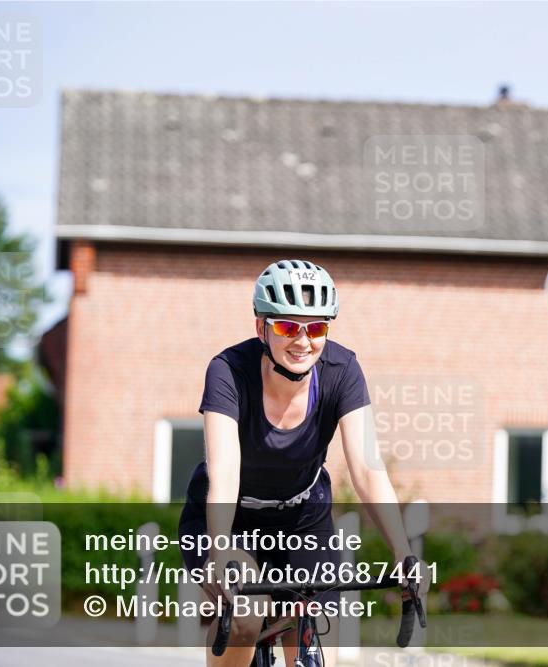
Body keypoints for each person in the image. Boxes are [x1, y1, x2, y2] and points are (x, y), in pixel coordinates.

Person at [178, 259, 426, 667]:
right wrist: (220, 550)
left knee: (302, 615)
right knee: (245, 617)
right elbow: (224, 471)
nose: (303, 340)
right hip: (230, 517)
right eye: (288, 327)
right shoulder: (227, 372)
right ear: (262, 328)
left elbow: (366, 467)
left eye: (316, 328)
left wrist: (403, 553)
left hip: (301, 516)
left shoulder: (342, 371)